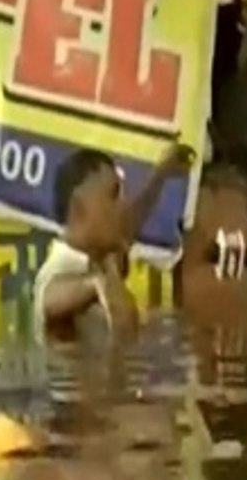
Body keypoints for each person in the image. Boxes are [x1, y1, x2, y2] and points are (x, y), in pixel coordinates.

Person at [34, 143, 193, 343]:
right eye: (114, 195)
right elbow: (49, 299)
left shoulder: (104, 259)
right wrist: (96, 284)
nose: (124, 204)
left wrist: (160, 175)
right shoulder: (59, 271)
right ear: (78, 209)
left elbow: (130, 224)